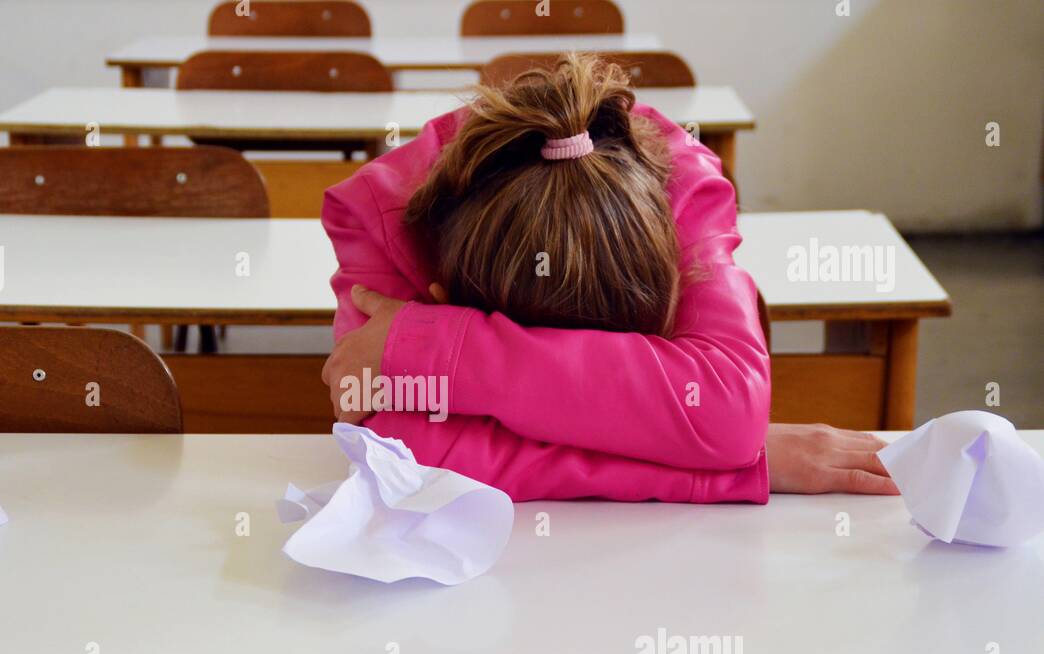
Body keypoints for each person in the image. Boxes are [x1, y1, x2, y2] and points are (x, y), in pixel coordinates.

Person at [321, 53, 897, 502]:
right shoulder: (380, 218)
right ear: (446, 290)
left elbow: (727, 411)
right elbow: (395, 451)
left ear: (672, 274)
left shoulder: (680, 187)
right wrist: (723, 467)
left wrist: (444, 346)